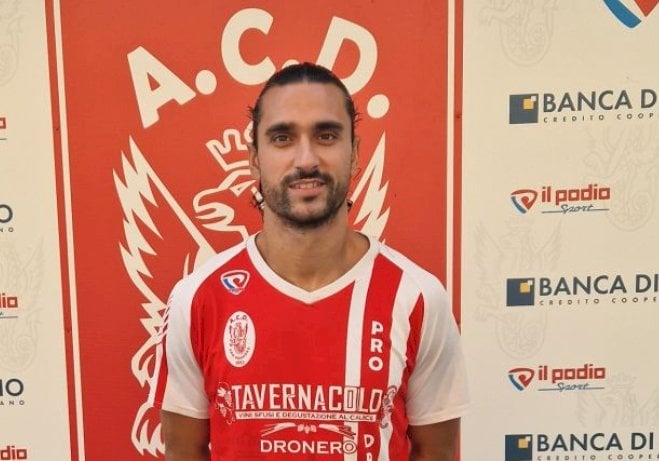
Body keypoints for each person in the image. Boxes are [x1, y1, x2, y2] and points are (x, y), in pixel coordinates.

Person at [149, 62, 469, 461]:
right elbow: (183, 450)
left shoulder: (417, 297)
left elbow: (436, 452)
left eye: (326, 135)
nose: (306, 159)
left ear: (355, 153)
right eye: (282, 138)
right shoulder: (198, 298)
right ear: (254, 158)